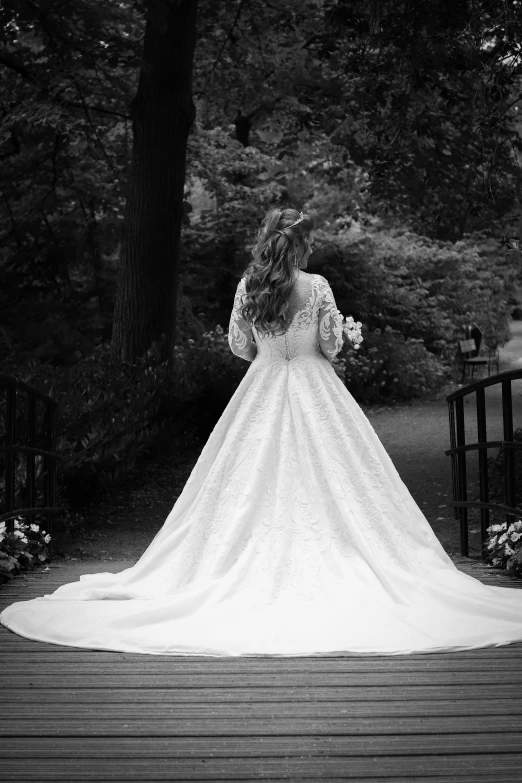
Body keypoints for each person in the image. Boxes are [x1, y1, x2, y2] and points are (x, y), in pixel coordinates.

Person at [1, 206, 522, 657]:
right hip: (318, 391)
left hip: (263, 386)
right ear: (300, 243)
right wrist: (343, 337)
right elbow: (332, 345)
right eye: (310, 239)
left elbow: (237, 346)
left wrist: (270, 349)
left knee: (240, 478)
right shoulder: (316, 286)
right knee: (347, 477)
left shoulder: (249, 286)